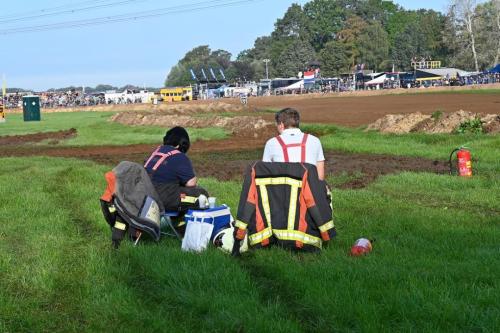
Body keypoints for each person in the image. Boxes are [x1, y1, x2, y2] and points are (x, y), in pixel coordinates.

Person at [144, 126, 208, 212]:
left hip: (147, 194)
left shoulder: (156, 152)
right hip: (164, 197)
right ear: (181, 143)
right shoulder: (178, 155)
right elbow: (191, 183)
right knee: (202, 195)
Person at [262, 108, 325, 180]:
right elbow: (320, 176)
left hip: (283, 190)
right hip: (310, 189)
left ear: (281, 125)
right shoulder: (315, 141)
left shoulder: (271, 143)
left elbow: (265, 173)